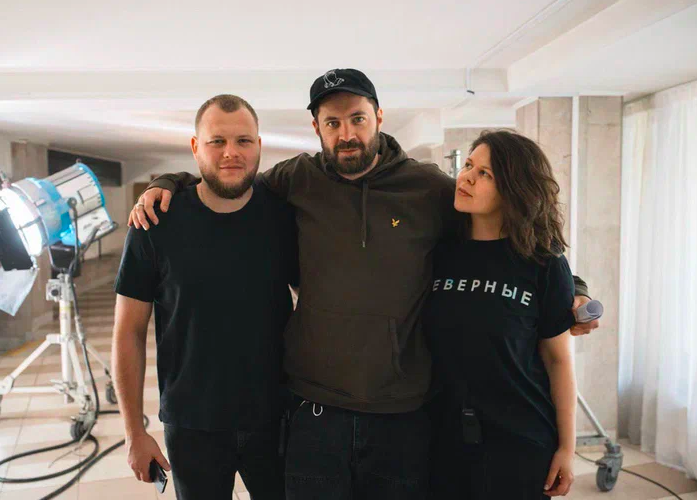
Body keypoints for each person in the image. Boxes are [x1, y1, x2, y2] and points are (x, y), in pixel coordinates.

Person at [128, 69, 598, 500]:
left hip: (402, 412)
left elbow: (498, 240)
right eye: (332, 123)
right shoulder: (297, 178)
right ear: (317, 128)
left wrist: (567, 286)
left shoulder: (429, 188)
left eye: (357, 118)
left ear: (379, 118)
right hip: (314, 408)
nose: (346, 133)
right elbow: (231, 180)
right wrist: (168, 181)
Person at [112, 94, 297, 500]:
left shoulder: (285, 217)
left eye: (243, 141)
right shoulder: (154, 223)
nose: (231, 153)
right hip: (192, 423)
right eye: (217, 141)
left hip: (276, 417)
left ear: (259, 146)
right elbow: (128, 332)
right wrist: (134, 432)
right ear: (196, 147)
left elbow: (316, 305)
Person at [424, 130, 578, 499]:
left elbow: (558, 360)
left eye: (485, 174)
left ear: (513, 188)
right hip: (441, 437)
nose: (466, 177)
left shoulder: (544, 263)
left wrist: (567, 448)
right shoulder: (437, 253)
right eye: (468, 166)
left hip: (520, 440)